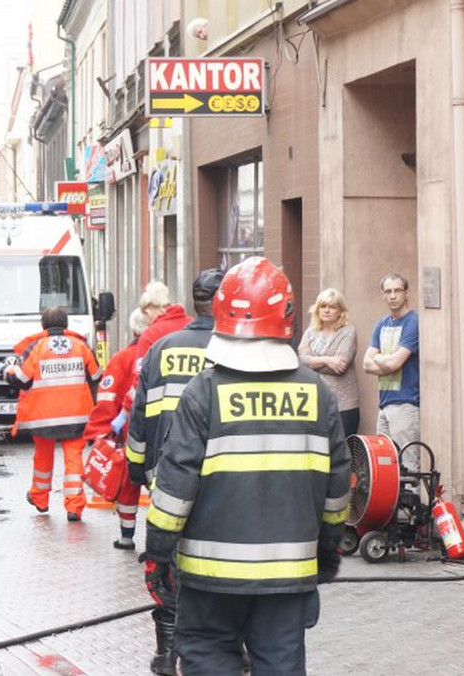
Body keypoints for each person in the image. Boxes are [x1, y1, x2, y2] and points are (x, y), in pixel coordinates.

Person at [144, 257, 351, 675]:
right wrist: (327, 553)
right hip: (288, 578)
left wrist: (159, 556)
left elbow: (174, 488)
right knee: (280, 665)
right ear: (288, 314)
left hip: (209, 580)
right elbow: (338, 488)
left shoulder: (204, 392)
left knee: (208, 658)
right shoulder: (317, 393)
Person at [125, 267, 224, 675]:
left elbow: (140, 418)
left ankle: (167, 652)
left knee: (166, 569)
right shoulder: (235, 349)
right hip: (219, 482)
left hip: (164, 479)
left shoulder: (161, 348)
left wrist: (137, 471)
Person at [4, 306, 101, 521]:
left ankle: (40, 499)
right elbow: (96, 376)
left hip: (43, 417)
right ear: (66, 325)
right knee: (74, 460)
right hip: (77, 416)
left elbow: (21, 379)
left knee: (43, 456)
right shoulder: (81, 345)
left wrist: (7, 370)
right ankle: (74, 507)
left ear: (43, 326)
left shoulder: (36, 347)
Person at [82, 308, 150, 550]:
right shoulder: (162, 354)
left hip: (129, 434)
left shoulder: (122, 359)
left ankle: (127, 536)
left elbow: (107, 397)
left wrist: (100, 431)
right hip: (160, 434)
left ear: (133, 329)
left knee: (128, 487)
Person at [362, 273, 421, 449]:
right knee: (385, 464)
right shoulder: (381, 324)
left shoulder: (413, 321)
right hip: (385, 404)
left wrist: (379, 358)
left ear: (406, 293)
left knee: (407, 466)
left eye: (397, 290)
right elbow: (366, 364)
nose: (393, 296)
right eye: (388, 291)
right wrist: (385, 359)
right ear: (383, 294)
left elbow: (394, 364)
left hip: (406, 403)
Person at [299, 288, 361, 436]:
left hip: (343, 406)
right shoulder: (311, 332)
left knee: (341, 453)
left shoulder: (347, 331)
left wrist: (312, 362)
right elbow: (300, 361)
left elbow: (340, 366)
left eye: (332, 307)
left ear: (340, 311)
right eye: (323, 306)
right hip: (314, 404)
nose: (326, 310)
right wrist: (327, 359)